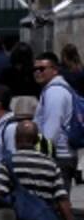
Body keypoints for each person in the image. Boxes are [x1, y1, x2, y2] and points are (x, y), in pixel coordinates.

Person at [33, 51, 78, 191]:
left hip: (58, 156)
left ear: (54, 70)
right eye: (35, 69)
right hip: (60, 155)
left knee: (57, 201)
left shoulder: (55, 92)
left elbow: (51, 131)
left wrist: (41, 159)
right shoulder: (55, 89)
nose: (37, 72)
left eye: (42, 69)